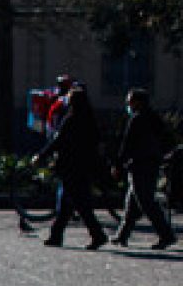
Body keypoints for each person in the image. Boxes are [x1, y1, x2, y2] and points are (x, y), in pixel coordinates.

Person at [31, 87, 108, 250]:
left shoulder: (71, 119)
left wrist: (41, 155)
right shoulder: (90, 119)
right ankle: (56, 235)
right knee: (68, 204)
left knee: (79, 204)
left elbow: (57, 141)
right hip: (84, 167)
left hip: (71, 166)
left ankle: (97, 234)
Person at [111, 88, 177, 250]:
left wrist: (118, 164)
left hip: (140, 164)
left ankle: (166, 235)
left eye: (130, 101)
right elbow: (167, 139)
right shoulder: (154, 118)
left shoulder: (137, 119)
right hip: (151, 164)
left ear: (138, 102)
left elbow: (127, 144)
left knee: (146, 202)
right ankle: (122, 235)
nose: (128, 104)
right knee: (133, 202)